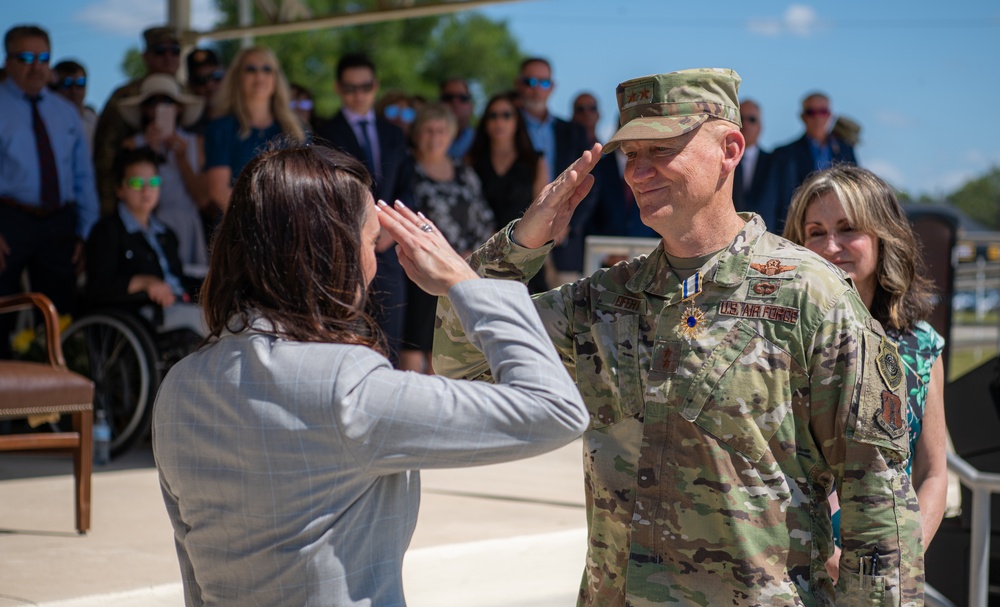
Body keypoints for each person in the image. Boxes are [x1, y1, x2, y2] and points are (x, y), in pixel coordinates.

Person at [433, 68, 922, 605]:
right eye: (630, 154)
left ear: (730, 149)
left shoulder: (810, 298)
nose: (638, 172)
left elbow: (878, 503)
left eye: (660, 149)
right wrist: (524, 241)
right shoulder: (604, 300)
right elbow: (461, 354)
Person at [152, 144, 588, 606]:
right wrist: (466, 282)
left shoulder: (179, 386)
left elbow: (194, 581)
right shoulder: (346, 387)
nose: (374, 261)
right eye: (369, 239)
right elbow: (554, 409)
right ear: (331, 250)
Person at [782, 164, 948, 576]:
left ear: (881, 236)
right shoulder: (773, 340)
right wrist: (828, 558)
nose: (830, 246)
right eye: (815, 232)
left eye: (847, 228)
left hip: (884, 578)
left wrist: (899, 557)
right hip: (790, 573)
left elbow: (933, 473)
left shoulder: (921, 345)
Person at [0, 24, 99, 357]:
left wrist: (85, 233)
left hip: (59, 221)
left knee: (60, 316)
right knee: (3, 313)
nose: (36, 66)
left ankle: (55, 402)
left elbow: (83, 176)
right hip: (9, 219)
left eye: (43, 58)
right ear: (8, 61)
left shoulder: (65, 112)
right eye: (26, 57)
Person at [317, 52, 412, 365]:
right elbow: (325, 191)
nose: (358, 94)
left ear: (376, 86)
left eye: (365, 86)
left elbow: (406, 189)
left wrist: (389, 229)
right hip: (343, 248)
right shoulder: (323, 131)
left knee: (390, 343)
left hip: (387, 250)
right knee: (340, 337)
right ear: (338, 88)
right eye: (350, 88)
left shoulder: (394, 132)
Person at [401, 103, 494, 373]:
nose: (434, 136)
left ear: (451, 134)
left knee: (446, 347)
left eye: (441, 130)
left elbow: (483, 217)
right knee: (414, 344)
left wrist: (474, 255)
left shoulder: (463, 171)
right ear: (417, 134)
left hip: (461, 268)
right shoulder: (408, 169)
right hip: (418, 267)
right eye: (428, 130)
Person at [85, 147, 203, 334]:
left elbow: (179, 279)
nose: (147, 189)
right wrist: (142, 282)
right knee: (207, 323)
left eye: (154, 181)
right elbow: (97, 289)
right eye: (136, 182)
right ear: (120, 189)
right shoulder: (107, 231)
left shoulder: (166, 234)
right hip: (144, 316)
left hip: (180, 304)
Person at [515, 57, 594, 282]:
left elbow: (591, 182)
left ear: (553, 87)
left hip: (564, 245)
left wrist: (567, 222)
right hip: (517, 244)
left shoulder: (573, 131)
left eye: (544, 83)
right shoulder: (505, 125)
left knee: (566, 315)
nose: (536, 89)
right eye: (530, 81)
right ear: (518, 84)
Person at [119, 74, 209, 268]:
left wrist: (182, 158)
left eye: (167, 101)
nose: (159, 108)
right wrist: (149, 153)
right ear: (144, 109)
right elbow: (126, 191)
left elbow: (203, 199)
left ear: (179, 107)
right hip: (148, 223)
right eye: (152, 102)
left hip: (188, 224)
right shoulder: (132, 144)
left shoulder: (195, 143)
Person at [203, 45, 306, 212]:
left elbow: (305, 186)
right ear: (237, 78)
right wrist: (262, 222)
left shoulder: (297, 130)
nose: (259, 75)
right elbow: (218, 191)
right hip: (240, 227)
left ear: (276, 79)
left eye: (267, 69)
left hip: (289, 225)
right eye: (250, 69)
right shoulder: (221, 128)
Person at [94, 26, 182, 213]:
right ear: (146, 56)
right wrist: (109, 209)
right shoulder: (124, 96)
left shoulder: (188, 93)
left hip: (181, 203)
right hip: (133, 200)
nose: (168, 57)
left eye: (175, 50)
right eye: (160, 51)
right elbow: (105, 155)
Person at [769, 91, 857, 233]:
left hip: (839, 227)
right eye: (811, 112)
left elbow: (855, 190)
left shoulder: (846, 150)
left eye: (822, 112)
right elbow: (774, 202)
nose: (817, 118)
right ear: (803, 116)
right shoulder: (783, 155)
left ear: (830, 115)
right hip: (797, 230)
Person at [733, 99, 776, 228]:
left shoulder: (776, 163)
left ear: (760, 127)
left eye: (751, 119)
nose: (745, 124)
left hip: (766, 237)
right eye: (740, 119)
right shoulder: (719, 161)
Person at [51, 59, 98, 152]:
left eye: (80, 83)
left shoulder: (94, 120)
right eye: (67, 84)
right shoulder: (49, 122)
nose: (74, 90)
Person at [185, 48, 225, 136]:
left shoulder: (244, 118)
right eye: (200, 80)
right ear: (190, 86)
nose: (209, 85)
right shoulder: (187, 128)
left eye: (216, 76)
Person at [440, 77, 475, 159]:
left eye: (463, 98)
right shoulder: (425, 137)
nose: (455, 103)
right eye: (449, 98)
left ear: (471, 107)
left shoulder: (482, 139)